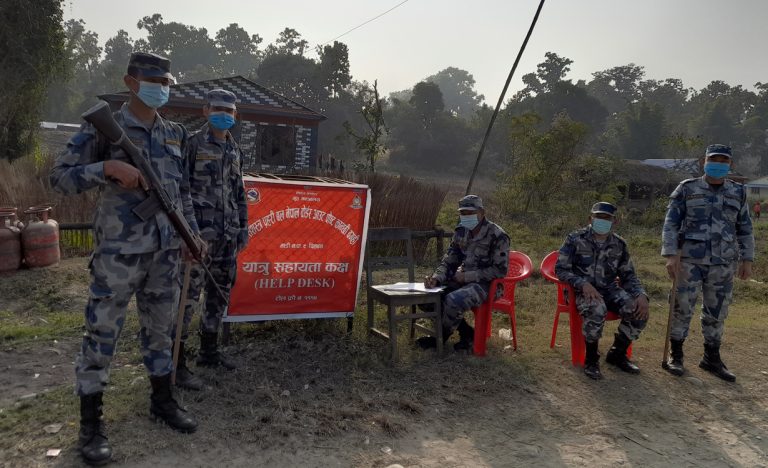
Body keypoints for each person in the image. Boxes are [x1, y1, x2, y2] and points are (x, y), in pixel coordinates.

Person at [50, 52, 203, 465]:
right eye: (152, 79)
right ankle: (92, 425)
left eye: (166, 80)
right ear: (130, 82)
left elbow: (182, 192)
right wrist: (107, 167)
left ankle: (162, 400)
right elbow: (59, 178)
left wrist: (190, 235)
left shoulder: (174, 134)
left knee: (161, 331)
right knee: (101, 336)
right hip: (119, 253)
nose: (161, 87)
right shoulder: (101, 128)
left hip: (165, 253)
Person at [174, 89, 248, 390]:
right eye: (218, 109)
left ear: (234, 115)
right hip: (197, 240)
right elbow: (181, 191)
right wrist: (189, 234)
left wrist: (244, 228)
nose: (224, 115)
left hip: (228, 236)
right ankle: (176, 363)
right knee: (187, 299)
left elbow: (239, 192)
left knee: (218, 296)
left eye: (229, 111)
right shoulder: (191, 144)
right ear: (205, 111)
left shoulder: (234, 149)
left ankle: (209, 352)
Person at [661, 144, 754, 382]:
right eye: (714, 159)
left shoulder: (738, 192)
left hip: (723, 262)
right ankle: (676, 355)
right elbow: (671, 223)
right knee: (682, 306)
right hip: (689, 260)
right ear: (704, 161)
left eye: (724, 160)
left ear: (730, 164)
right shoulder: (687, 188)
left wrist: (747, 258)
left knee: (717, 310)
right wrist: (670, 254)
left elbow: (745, 227)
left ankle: (711, 357)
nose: (718, 164)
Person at [555, 202, 649, 380]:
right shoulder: (575, 239)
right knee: (597, 309)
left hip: (609, 289)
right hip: (581, 291)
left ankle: (617, 354)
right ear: (590, 218)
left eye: (607, 218)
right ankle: (591, 360)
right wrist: (582, 283)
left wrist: (641, 294)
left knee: (638, 310)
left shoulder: (619, 244)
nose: (602, 221)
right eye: (598, 217)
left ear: (615, 222)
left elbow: (629, 276)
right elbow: (560, 269)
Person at [416, 195, 510, 352]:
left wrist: (467, 276)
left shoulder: (498, 235)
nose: (466, 217)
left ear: (482, 212)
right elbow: (449, 260)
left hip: (487, 285)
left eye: (470, 213)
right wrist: (436, 279)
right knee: (426, 297)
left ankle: (439, 339)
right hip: (462, 279)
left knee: (453, 300)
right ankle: (467, 333)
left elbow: (500, 270)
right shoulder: (461, 231)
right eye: (463, 213)